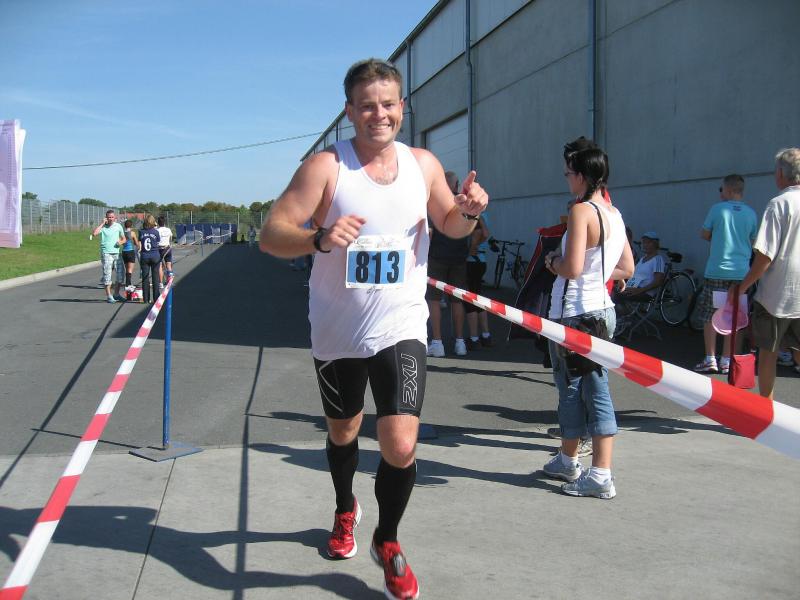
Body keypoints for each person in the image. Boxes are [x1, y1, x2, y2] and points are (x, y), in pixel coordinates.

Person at [259, 58, 488, 600]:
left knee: (400, 442)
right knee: (343, 432)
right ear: (349, 111)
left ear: (402, 108)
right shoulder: (326, 167)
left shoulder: (422, 164)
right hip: (337, 330)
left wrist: (469, 211)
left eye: (387, 104)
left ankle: (388, 541)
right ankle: (345, 508)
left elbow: (449, 224)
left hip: (401, 322)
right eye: (367, 106)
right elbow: (271, 234)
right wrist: (317, 238)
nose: (378, 114)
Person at [540, 145, 634, 499]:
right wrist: (600, 272)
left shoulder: (581, 211)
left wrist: (552, 260)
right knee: (574, 387)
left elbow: (572, 268)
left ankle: (601, 473)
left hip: (576, 313)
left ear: (580, 175)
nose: (566, 179)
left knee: (591, 389)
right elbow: (627, 268)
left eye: (568, 173)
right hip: (598, 309)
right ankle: (568, 459)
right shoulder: (613, 213)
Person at [734, 148, 800, 399]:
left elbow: (765, 256)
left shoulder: (779, 204)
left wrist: (742, 287)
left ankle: (767, 409)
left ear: (781, 173)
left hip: (776, 294)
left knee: (768, 353)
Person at [694, 175, 757, 374]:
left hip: (717, 270)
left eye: (721, 189)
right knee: (734, 315)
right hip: (741, 273)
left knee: (710, 315)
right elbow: (754, 241)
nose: (720, 193)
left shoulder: (717, 209)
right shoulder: (751, 213)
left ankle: (710, 358)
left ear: (728, 190)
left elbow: (704, 234)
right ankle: (727, 359)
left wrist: (719, 237)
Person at [425, 171, 471, 357]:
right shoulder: (463, 203)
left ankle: (437, 343)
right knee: (457, 300)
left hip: (437, 257)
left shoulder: (435, 203)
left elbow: (429, 233)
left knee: (434, 300)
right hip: (459, 257)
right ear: (456, 184)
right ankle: (460, 342)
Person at [464, 211, 493, 349]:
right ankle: (486, 335)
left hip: (471, 261)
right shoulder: (484, 213)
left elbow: (484, 233)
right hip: (481, 260)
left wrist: (473, 247)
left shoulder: (473, 213)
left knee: (470, 299)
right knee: (478, 297)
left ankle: (474, 338)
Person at [615, 231, 666, 300]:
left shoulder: (657, 259)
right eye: (644, 242)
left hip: (644, 292)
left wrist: (640, 290)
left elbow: (658, 281)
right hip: (632, 287)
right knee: (613, 291)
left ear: (655, 244)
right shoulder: (642, 259)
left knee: (615, 296)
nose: (645, 245)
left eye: (648, 243)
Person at [92, 209, 125, 303]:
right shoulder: (103, 227)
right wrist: (102, 223)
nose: (110, 219)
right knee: (107, 275)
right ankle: (109, 296)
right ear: (106, 218)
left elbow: (124, 239)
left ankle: (116, 294)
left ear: (115, 218)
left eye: (112, 217)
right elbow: (94, 233)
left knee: (120, 275)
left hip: (117, 253)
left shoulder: (118, 226)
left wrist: (120, 242)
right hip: (106, 253)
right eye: (109, 217)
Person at [138, 215, 161, 304]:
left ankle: (146, 299)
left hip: (145, 256)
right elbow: (158, 242)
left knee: (145, 278)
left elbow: (140, 242)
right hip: (155, 255)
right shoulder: (156, 232)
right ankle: (156, 298)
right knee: (155, 277)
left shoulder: (141, 232)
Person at [121, 219, 139, 298]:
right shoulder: (132, 233)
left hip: (124, 252)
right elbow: (136, 243)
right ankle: (128, 284)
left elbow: (122, 242)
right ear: (131, 226)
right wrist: (137, 244)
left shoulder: (122, 233)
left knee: (127, 269)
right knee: (130, 270)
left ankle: (128, 283)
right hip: (131, 251)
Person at [156, 216, 173, 289]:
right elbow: (171, 238)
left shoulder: (157, 230)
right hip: (168, 248)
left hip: (160, 249)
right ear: (164, 222)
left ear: (158, 223)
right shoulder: (168, 230)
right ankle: (170, 282)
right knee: (169, 265)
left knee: (159, 266)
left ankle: (160, 283)